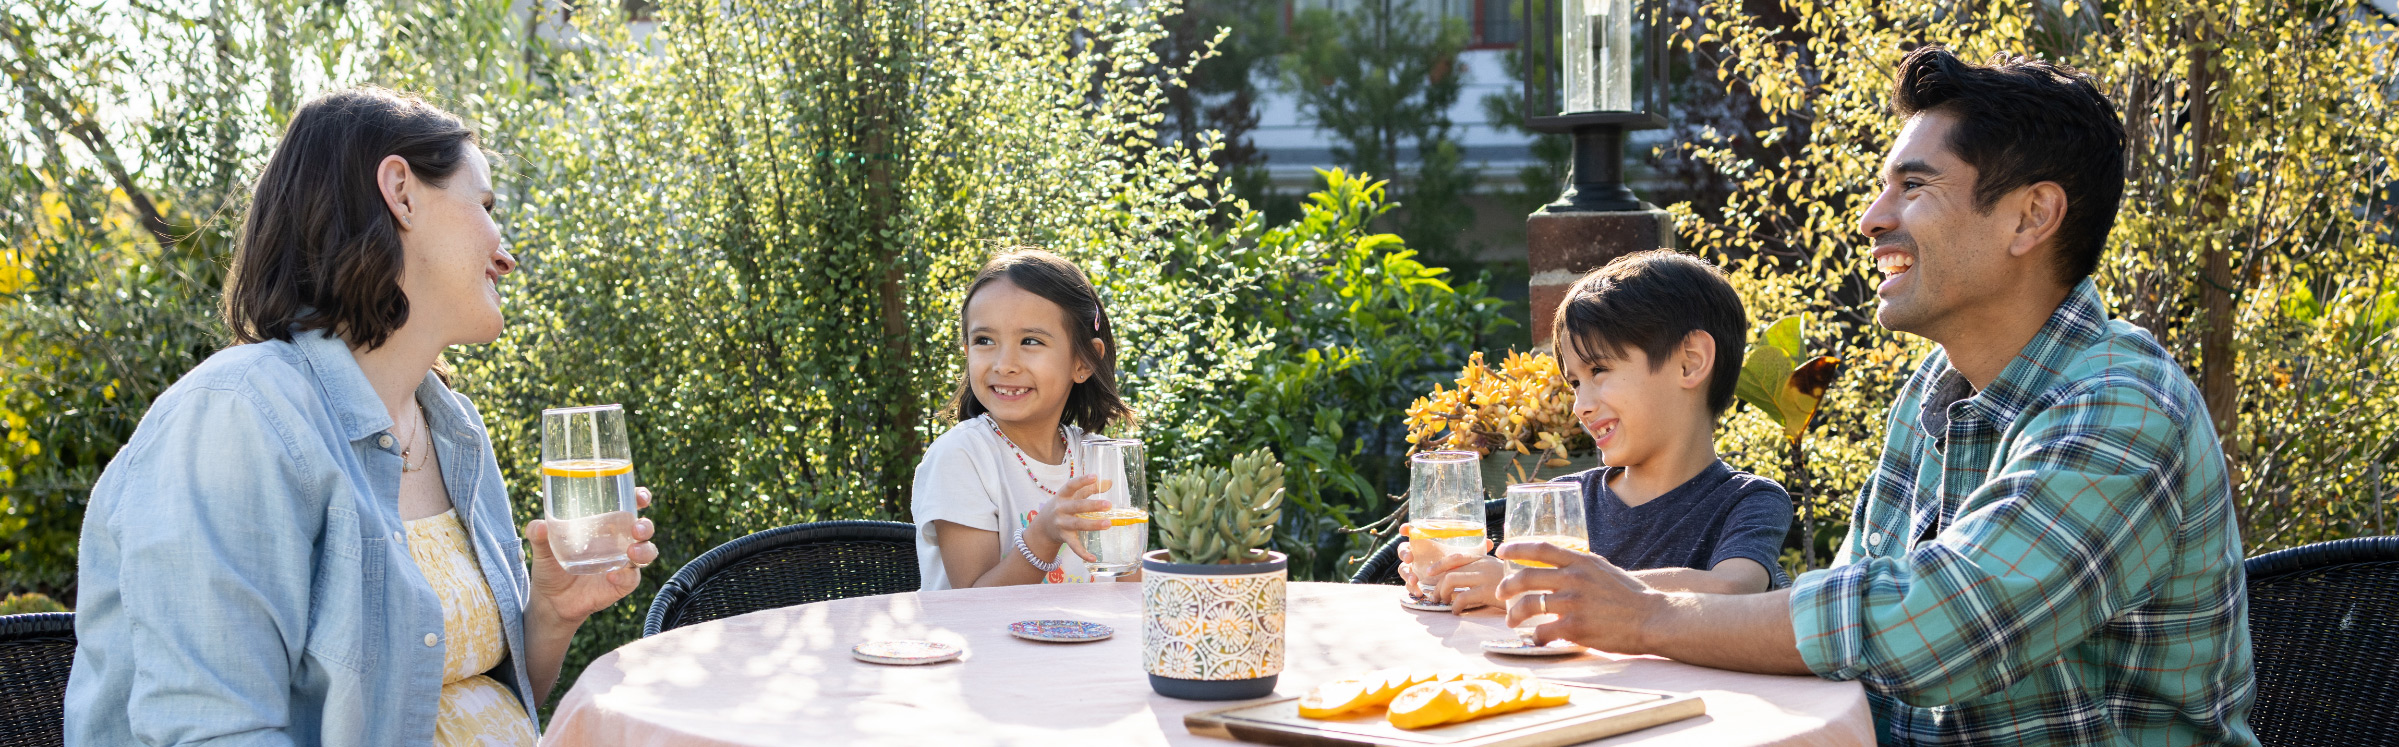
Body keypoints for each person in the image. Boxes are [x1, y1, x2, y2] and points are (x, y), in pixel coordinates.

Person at [1492, 46, 2256, 745]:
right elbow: (1847, 603)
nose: (1870, 218)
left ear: (2031, 216)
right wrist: (1604, 600)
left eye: (1913, 186)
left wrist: (1648, 616)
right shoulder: (1934, 389)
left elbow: (1928, 623)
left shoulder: (2121, 405)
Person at [65, 88, 661, 746]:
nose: (504, 248)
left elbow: (471, 696)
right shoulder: (236, 418)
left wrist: (550, 610)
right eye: (485, 206)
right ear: (401, 191)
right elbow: (211, 729)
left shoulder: (451, 427)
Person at [1400, 250, 1795, 612]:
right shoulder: (1568, 501)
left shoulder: (1748, 501)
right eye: (1574, 383)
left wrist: (1528, 586)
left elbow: (1731, 591)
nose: (1580, 405)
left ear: (1690, 363)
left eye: (1599, 371)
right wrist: (1454, 576)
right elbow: (1511, 596)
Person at [911, 250, 1136, 589]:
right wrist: (1043, 536)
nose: (1004, 364)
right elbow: (974, 604)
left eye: (1030, 341)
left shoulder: (1099, 458)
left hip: (1086, 642)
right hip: (981, 642)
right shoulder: (961, 456)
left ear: (1084, 362)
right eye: (984, 340)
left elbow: (1126, 582)